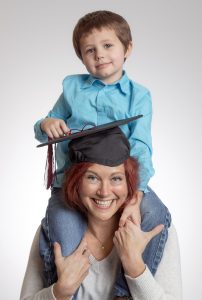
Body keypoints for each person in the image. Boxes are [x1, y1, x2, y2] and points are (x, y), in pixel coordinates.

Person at [34, 10, 171, 296]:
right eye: (90, 50)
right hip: (71, 184)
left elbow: (141, 147)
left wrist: (136, 196)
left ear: (127, 48)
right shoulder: (72, 89)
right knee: (61, 231)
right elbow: (43, 126)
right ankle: (64, 291)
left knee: (156, 214)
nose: (99, 55)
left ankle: (123, 292)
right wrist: (48, 124)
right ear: (81, 57)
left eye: (108, 46)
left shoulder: (138, 95)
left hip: (122, 184)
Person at [21, 122, 182, 300]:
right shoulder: (54, 231)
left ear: (129, 184)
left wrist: (135, 266)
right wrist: (60, 292)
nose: (104, 192)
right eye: (92, 177)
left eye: (116, 178)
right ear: (76, 182)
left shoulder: (153, 232)